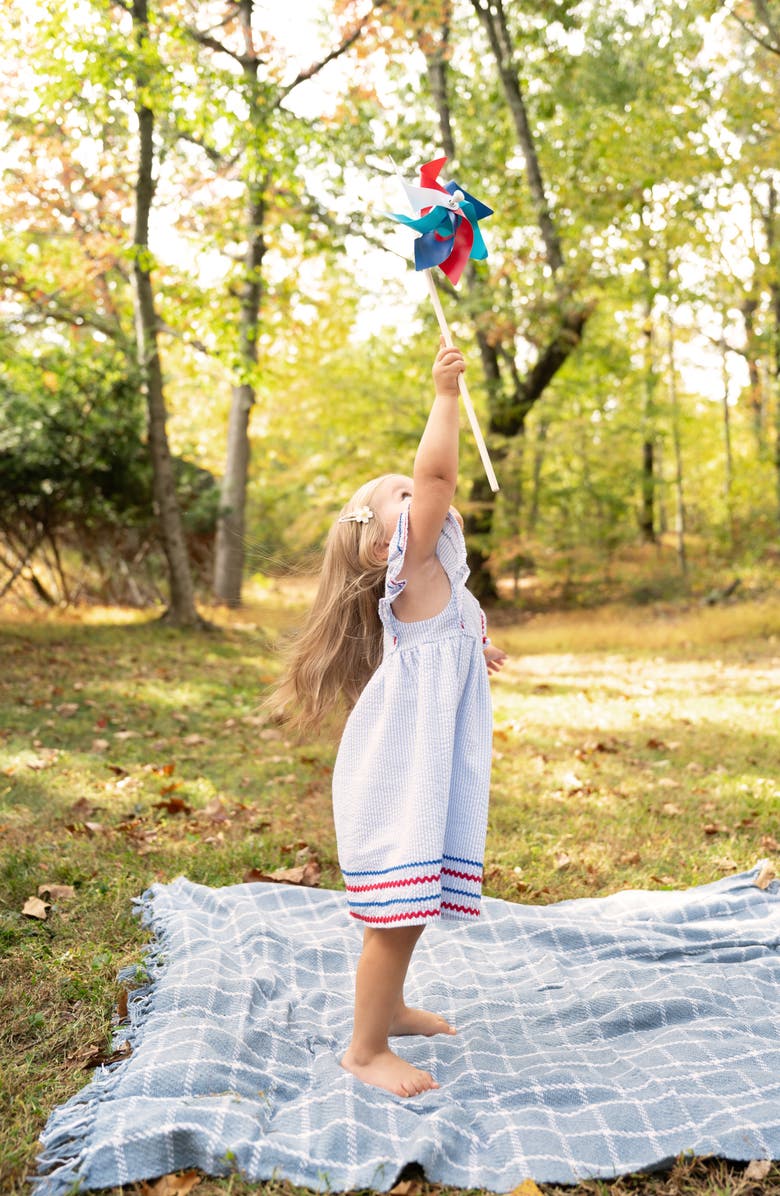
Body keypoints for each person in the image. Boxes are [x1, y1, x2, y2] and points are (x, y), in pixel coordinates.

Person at [274, 339, 506, 1098]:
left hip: (421, 761)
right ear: (383, 547)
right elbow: (440, 470)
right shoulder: (411, 563)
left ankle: (393, 1009)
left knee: (412, 906)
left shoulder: (436, 576)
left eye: (414, 489)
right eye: (402, 496)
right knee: (395, 914)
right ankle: (365, 1049)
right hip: (402, 767)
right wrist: (445, 396)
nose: (423, 492)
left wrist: (477, 645)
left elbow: (449, 628)